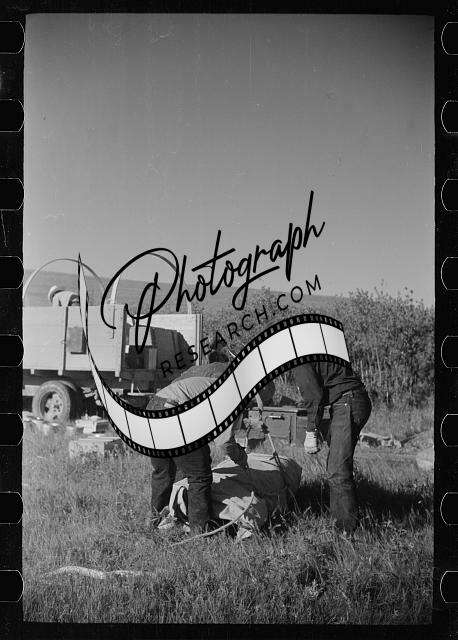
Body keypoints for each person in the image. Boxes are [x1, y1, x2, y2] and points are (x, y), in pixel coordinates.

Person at [147, 372, 248, 533]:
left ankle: (155, 523)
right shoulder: (232, 395)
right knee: (199, 477)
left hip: (154, 406)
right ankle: (199, 531)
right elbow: (224, 441)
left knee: (163, 472)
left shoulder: (214, 383)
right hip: (176, 411)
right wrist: (241, 457)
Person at [292, 361, 371, 533]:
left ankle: (345, 531)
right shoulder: (312, 349)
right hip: (349, 399)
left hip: (347, 401)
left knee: (337, 470)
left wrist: (311, 430)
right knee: (337, 465)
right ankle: (347, 520)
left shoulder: (299, 358)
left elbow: (313, 395)